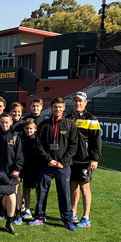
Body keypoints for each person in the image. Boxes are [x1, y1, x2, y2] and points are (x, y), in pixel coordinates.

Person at [29, 97, 79, 231]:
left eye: (60, 107)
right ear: (51, 108)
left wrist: (62, 162)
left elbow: (73, 146)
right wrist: (48, 160)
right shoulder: (44, 124)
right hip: (46, 165)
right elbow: (38, 145)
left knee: (64, 193)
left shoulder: (69, 124)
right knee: (42, 193)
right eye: (55, 107)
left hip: (63, 166)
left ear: (64, 108)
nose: (57, 109)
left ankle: (67, 220)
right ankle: (39, 217)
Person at [68, 92, 102, 228]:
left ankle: (86, 217)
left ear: (85, 102)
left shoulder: (91, 119)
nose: (78, 103)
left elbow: (97, 140)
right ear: (72, 102)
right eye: (75, 101)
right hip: (71, 160)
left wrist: (95, 159)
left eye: (80, 101)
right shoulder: (68, 118)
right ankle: (73, 214)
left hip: (85, 160)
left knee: (84, 188)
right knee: (72, 187)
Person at [0, 113, 24, 223]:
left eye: (6, 122)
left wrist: (17, 169)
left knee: (16, 191)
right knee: (2, 192)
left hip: (12, 171)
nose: (4, 124)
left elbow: (19, 155)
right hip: (1, 170)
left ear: (11, 122)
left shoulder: (15, 136)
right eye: (2, 122)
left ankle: (18, 214)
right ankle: (4, 212)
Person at [19, 119, 39, 220]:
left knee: (38, 188)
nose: (29, 130)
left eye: (31, 128)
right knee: (26, 188)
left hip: (36, 167)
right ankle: (27, 209)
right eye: (27, 128)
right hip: (26, 167)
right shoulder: (21, 140)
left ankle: (38, 207)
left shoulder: (38, 140)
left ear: (35, 129)